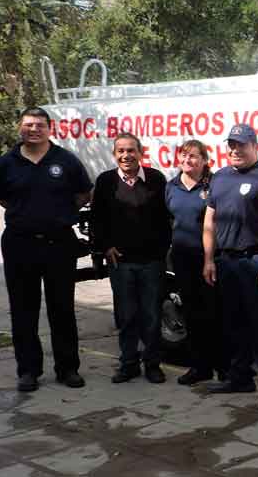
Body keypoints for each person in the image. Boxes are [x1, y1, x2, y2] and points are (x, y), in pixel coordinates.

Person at [0, 107, 92, 392]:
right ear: (20, 128)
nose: (34, 129)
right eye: (28, 125)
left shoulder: (65, 160)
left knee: (62, 308)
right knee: (23, 310)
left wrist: (59, 216)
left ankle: (68, 369)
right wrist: (25, 213)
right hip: (19, 243)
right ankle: (28, 371)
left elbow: (83, 193)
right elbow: (2, 197)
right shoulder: (6, 162)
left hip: (59, 244)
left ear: (49, 129)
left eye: (39, 125)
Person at [202, 124, 258, 411]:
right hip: (226, 262)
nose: (235, 150)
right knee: (234, 325)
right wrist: (208, 259)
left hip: (256, 260)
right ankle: (239, 378)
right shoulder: (220, 177)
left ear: (255, 146)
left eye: (241, 145)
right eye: (231, 145)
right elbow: (209, 222)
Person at [92, 132, 171, 384]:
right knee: (126, 316)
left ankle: (152, 364)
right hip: (121, 263)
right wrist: (106, 247)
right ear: (115, 154)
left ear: (140, 153)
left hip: (152, 262)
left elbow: (167, 218)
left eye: (131, 150)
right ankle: (128, 364)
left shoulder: (156, 179)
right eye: (121, 151)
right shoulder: (105, 181)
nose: (126, 155)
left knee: (151, 315)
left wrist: (161, 250)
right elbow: (98, 219)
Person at [165, 140, 226, 385]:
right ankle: (199, 367)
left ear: (204, 160)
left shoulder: (213, 185)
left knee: (216, 313)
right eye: (184, 156)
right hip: (182, 258)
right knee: (191, 313)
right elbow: (167, 219)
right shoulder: (172, 186)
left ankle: (224, 367)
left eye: (193, 156)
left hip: (211, 259)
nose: (188, 160)